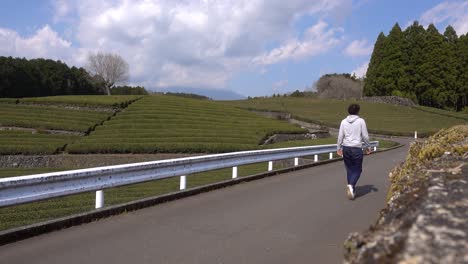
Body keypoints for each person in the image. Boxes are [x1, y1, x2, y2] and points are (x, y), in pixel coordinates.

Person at [337, 104, 371, 200]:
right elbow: (365, 136)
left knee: (349, 169)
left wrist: (338, 148)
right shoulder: (361, 121)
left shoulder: (343, 121)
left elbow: (340, 136)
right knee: (358, 170)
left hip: (346, 148)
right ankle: (351, 185)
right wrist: (368, 146)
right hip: (356, 148)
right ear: (358, 111)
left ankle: (352, 190)